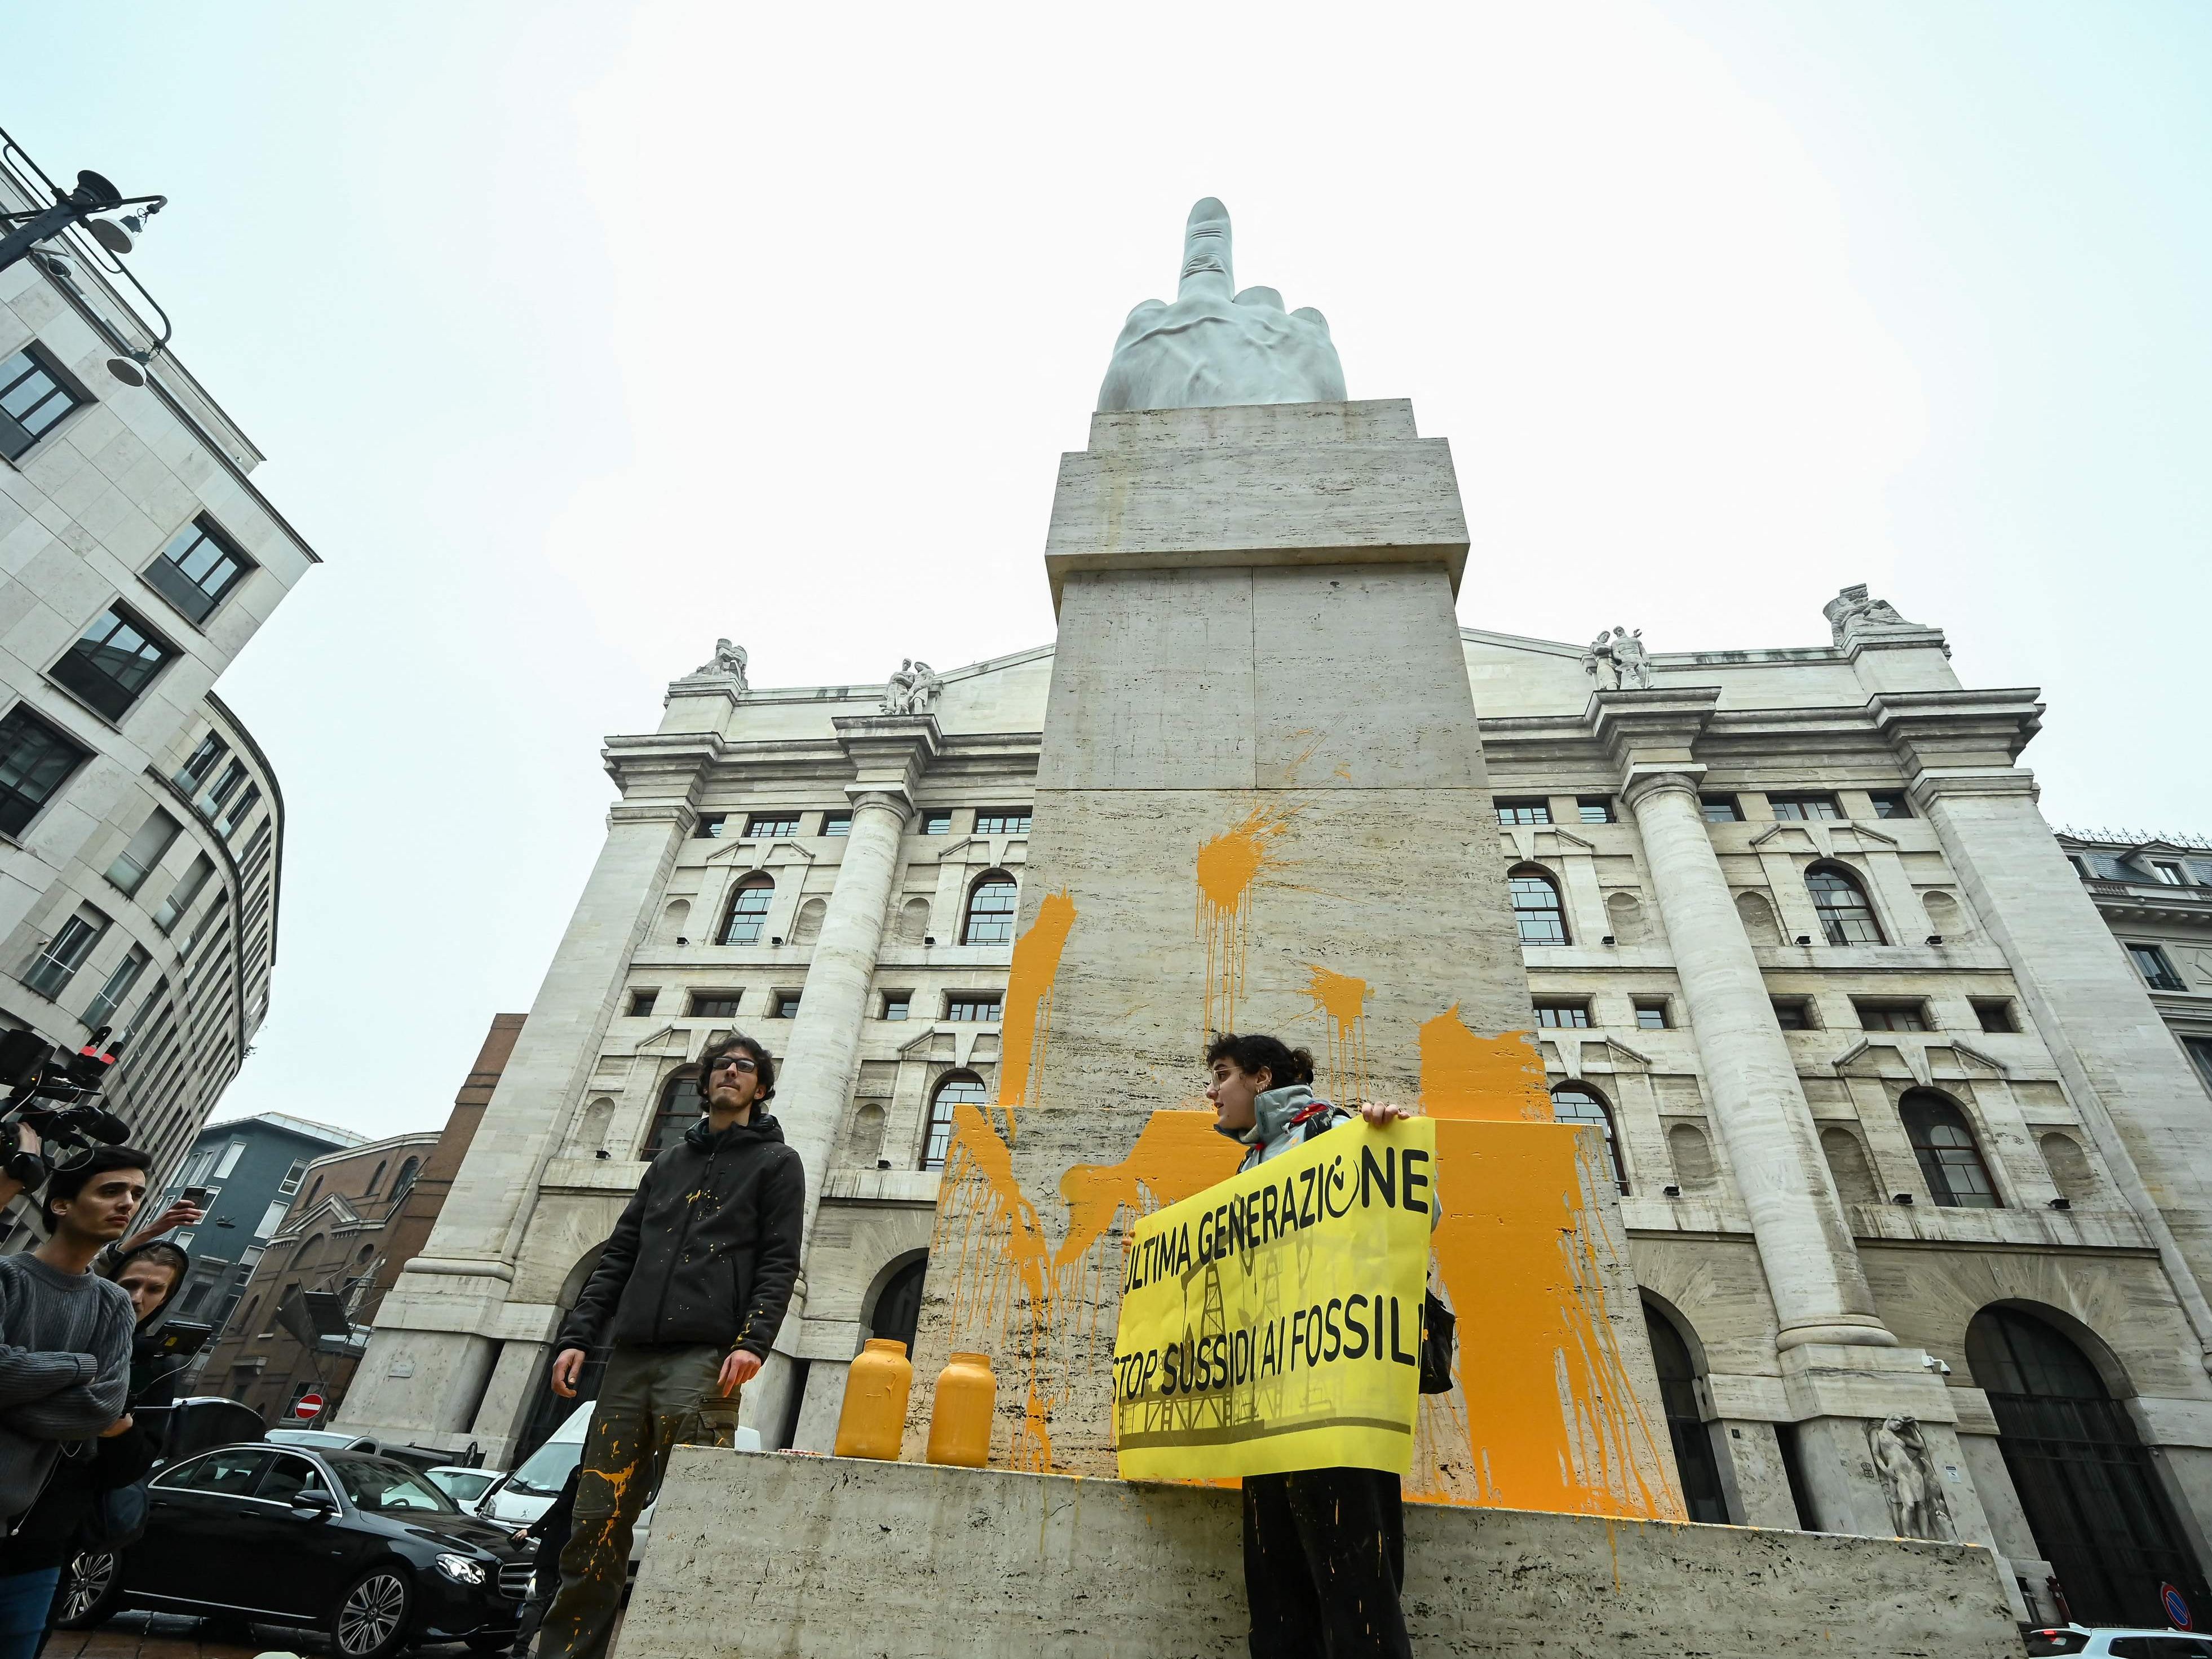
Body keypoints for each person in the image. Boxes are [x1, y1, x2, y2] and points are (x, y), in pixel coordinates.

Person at [536, 1033, 804, 1659]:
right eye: (720, 1067)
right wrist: (579, 1336)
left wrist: (753, 1342)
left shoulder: (776, 1162)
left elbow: (778, 1260)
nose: (729, 1074)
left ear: (760, 1088)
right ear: (704, 1082)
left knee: (692, 1521)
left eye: (743, 1068)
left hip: (705, 1362)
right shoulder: (667, 1164)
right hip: (629, 1363)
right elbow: (620, 1254)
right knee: (595, 1524)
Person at [1205, 1033, 1420, 1659]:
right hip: (1270, 1399)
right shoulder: (1251, 1164)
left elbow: (1421, 1210)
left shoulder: (1333, 1130)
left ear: (1262, 1078)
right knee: (1275, 1586)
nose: (1212, 1092)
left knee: (1356, 1584)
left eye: (1222, 1075)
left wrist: (1386, 1142)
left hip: (1336, 1399)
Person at [0, 1147, 147, 1659]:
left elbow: (103, 1408)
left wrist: (17, 1391)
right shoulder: (7, 1278)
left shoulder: (114, 1304)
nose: (127, 1203)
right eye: (111, 1190)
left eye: (135, 1194)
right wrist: (80, 1365)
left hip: (36, 1540)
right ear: (62, 1204)